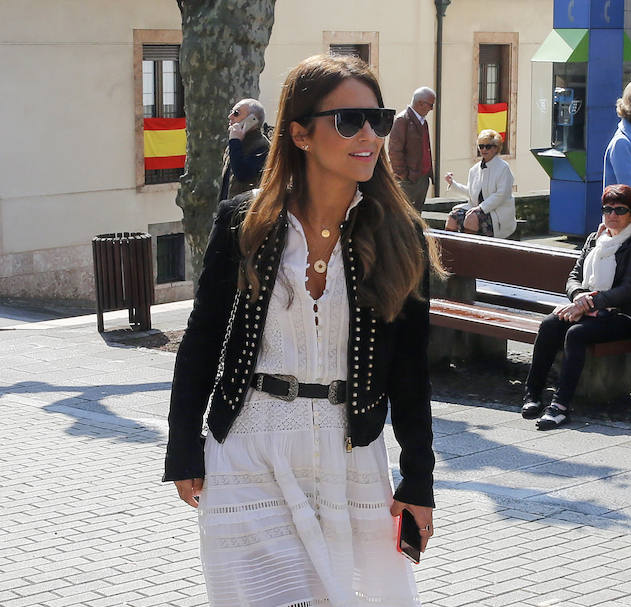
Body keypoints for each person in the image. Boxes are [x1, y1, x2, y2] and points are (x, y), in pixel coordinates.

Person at [164, 54, 438, 607]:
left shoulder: (400, 234)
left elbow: (411, 372)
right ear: (300, 134)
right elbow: (202, 340)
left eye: (378, 120)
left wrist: (418, 480)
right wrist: (182, 448)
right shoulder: (244, 223)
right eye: (348, 121)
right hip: (248, 448)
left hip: (352, 451)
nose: (368, 135)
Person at [521, 185, 631, 428]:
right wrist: (580, 296)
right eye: (607, 209)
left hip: (624, 316)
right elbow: (574, 276)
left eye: (620, 210)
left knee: (576, 334)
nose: (612, 214)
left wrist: (588, 303)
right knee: (550, 324)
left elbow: (629, 290)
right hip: (590, 310)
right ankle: (533, 394)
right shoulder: (595, 239)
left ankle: (560, 406)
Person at [443, 129, 517, 239]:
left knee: (471, 218)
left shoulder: (503, 168)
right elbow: (471, 192)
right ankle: (450, 253)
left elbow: (502, 195)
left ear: (496, 148)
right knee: (452, 217)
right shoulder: (474, 170)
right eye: (481, 146)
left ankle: (470, 253)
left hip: (497, 214)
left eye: (488, 146)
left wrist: (481, 208)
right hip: (475, 210)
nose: (484, 149)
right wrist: (452, 183)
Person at [388, 87, 436, 211]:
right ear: (420, 103)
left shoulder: (422, 122)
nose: (431, 109)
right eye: (430, 105)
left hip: (422, 178)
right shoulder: (402, 120)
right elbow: (394, 151)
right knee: (404, 215)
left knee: (417, 215)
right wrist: (403, 175)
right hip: (409, 180)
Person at [219, 98, 271, 201]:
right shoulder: (234, 144)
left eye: (236, 113)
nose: (230, 117)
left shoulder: (262, 146)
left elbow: (242, 174)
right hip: (229, 210)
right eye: (231, 112)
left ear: (252, 119)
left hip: (247, 211)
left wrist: (235, 141)